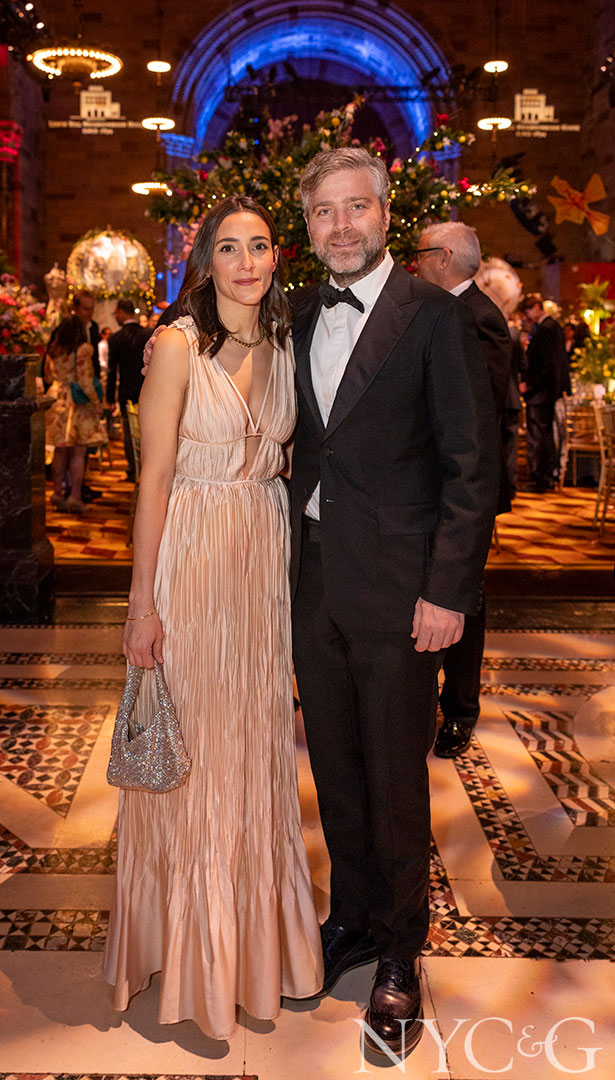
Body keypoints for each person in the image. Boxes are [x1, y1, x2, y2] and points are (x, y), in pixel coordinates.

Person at [290, 148, 498, 1059]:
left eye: (355, 208)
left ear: (384, 215)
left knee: (395, 779)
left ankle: (400, 952)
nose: (340, 226)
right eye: (323, 212)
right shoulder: (296, 313)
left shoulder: (431, 315)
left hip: (401, 592)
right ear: (307, 227)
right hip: (312, 584)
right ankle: (351, 918)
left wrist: (446, 592)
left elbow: (471, 464)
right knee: (335, 770)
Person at [102, 195, 323, 1040]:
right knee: (193, 756)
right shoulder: (175, 346)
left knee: (254, 749)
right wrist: (142, 606)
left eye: (258, 245)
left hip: (261, 565)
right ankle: (190, 950)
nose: (245, 262)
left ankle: (256, 946)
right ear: (205, 260)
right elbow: (153, 480)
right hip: (191, 560)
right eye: (228, 247)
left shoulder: (286, 341)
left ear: (276, 257)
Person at [413, 221, 512, 759]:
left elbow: (479, 418)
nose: (414, 263)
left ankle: (460, 710)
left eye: (420, 253)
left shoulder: (479, 316)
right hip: (427, 487)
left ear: (444, 257)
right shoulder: (436, 310)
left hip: (462, 489)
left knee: (462, 597)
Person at [45, 314, 106, 513]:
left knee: (60, 450)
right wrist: (97, 402)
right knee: (78, 452)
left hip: (56, 399)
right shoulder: (82, 350)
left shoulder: (53, 350)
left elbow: (47, 376)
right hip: (76, 404)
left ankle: (56, 493)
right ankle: (75, 497)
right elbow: (85, 381)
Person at [519, 295, 568, 492]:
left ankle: (540, 478)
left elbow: (547, 364)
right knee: (544, 434)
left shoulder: (546, 328)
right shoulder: (551, 326)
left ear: (537, 307)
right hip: (547, 392)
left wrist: (529, 384)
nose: (526, 317)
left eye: (528, 312)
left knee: (539, 436)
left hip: (542, 393)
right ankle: (545, 476)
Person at [106, 299, 151, 481]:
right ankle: (148, 468)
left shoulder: (116, 338)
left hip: (127, 391)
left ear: (120, 312)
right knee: (149, 430)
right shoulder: (147, 333)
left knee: (129, 432)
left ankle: (133, 470)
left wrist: (110, 398)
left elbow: (112, 371)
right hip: (148, 389)